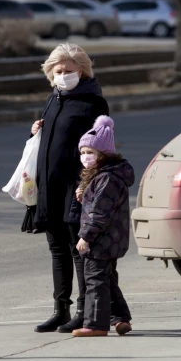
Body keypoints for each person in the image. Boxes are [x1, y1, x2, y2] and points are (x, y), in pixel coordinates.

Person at [30, 43, 109, 333]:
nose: (63, 76)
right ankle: (59, 310)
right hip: (49, 186)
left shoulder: (94, 103)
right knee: (57, 249)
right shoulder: (53, 99)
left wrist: (86, 183)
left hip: (76, 187)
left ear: (82, 71)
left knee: (79, 250)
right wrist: (37, 129)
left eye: (68, 71)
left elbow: (101, 148)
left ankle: (82, 311)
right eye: (58, 71)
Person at [73, 115, 134, 337]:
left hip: (102, 239)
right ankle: (120, 319)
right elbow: (98, 203)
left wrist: (86, 237)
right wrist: (84, 193)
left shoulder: (106, 178)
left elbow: (99, 213)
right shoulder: (105, 175)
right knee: (107, 279)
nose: (85, 157)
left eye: (90, 153)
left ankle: (96, 325)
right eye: (82, 152)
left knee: (95, 280)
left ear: (104, 154)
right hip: (112, 239)